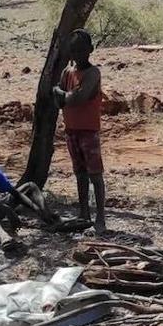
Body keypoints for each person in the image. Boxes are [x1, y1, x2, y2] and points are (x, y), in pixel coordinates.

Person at [53, 29, 106, 233]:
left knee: (95, 175)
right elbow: (60, 98)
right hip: (71, 130)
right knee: (80, 174)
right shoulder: (68, 72)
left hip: (88, 130)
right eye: (74, 50)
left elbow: (78, 98)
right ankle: (84, 214)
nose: (78, 54)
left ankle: (100, 218)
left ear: (90, 50)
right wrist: (65, 95)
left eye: (82, 50)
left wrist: (62, 94)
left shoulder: (93, 73)